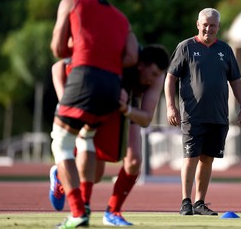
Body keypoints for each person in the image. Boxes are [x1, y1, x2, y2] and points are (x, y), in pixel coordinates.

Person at [50, 0, 138, 228]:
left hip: (84, 76)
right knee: (86, 136)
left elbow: (57, 49)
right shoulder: (121, 17)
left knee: (61, 142)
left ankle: (77, 212)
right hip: (112, 83)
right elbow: (132, 56)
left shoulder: (71, 3)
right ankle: (85, 204)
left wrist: (81, 53)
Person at [49, 45, 170, 226]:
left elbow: (145, 119)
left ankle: (113, 212)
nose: (152, 80)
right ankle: (61, 176)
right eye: (151, 73)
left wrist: (126, 108)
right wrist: (64, 101)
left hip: (127, 108)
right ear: (140, 65)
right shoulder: (120, 58)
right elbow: (57, 68)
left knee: (134, 160)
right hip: (102, 105)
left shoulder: (157, 77)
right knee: (95, 174)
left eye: (157, 75)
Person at [164, 8, 241, 216]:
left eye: (212, 25)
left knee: (207, 159)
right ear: (198, 24)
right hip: (193, 115)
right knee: (190, 157)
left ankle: (199, 202)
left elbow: (236, 81)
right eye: (205, 24)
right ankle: (186, 201)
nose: (208, 28)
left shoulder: (225, 50)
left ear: (218, 27)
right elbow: (170, 78)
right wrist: (170, 106)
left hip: (218, 115)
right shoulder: (186, 47)